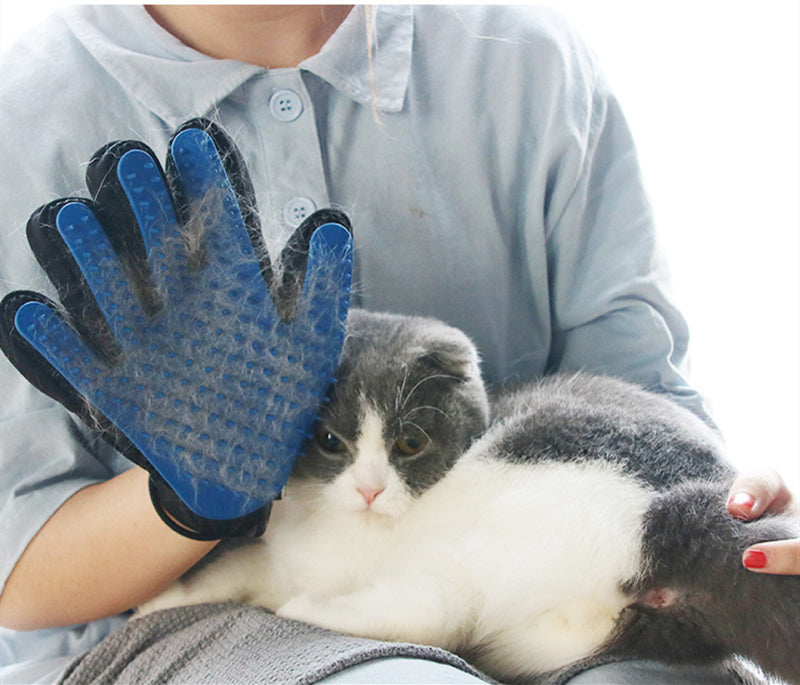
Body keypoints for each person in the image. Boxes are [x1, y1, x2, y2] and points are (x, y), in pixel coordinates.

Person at [0, 5, 796, 684]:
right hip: (189, 619)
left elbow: (642, 393)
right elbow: (19, 574)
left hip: (546, 564)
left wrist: (737, 508)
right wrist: (186, 496)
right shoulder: (28, 115)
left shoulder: (524, 64)